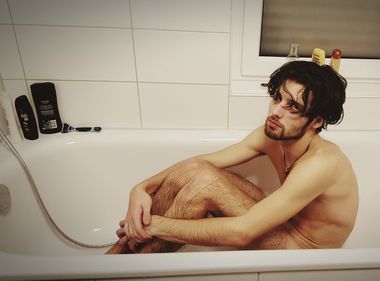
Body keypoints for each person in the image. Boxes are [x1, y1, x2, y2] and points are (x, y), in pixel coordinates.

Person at [106, 61, 358, 254]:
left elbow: (242, 232)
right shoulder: (273, 135)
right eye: (277, 98)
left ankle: (117, 268)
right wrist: (140, 188)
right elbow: (201, 163)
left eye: (293, 107)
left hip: (303, 252)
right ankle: (119, 261)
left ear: (316, 121)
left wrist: (153, 226)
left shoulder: (322, 164)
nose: (276, 111)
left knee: (203, 188)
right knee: (198, 170)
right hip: (284, 223)